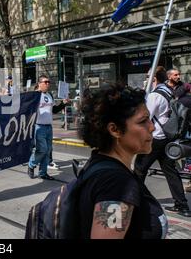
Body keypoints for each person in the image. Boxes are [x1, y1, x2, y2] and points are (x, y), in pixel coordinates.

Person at [77, 83, 168, 238]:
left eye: (150, 119)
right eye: (143, 121)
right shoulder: (116, 184)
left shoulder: (101, 165)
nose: (152, 127)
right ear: (115, 130)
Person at [134, 66, 191, 217]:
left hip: (156, 139)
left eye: (148, 76)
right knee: (171, 172)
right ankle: (182, 206)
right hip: (168, 137)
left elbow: (145, 117)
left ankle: (135, 203)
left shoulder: (154, 95)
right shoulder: (168, 91)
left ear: (153, 78)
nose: (146, 79)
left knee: (139, 170)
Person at [27, 75, 69, 180]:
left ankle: (43, 173)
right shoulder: (35, 95)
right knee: (42, 149)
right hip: (38, 126)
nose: (47, 84)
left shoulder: (49, 95)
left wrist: (63, 104)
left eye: (48, 82)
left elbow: (54, 110)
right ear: (39, 83)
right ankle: (31, 165)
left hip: (48, 127)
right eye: (45, 82)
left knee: (48, 150)